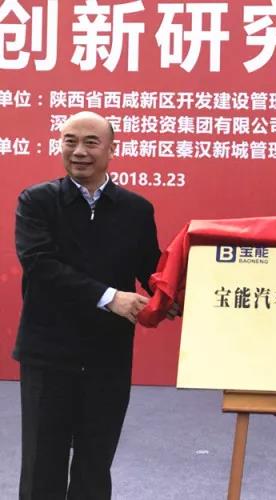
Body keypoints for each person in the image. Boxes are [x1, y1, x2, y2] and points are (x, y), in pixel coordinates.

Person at [13, 111, 172, 499]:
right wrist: (110, 297)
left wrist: (177, 295)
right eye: (70, 141)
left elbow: (151, 270)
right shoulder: (37, 201)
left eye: (90, 142)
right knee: (42, 465)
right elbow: (40, 265)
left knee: (95, 464)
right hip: (48, 354)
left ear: (112, 150)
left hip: (108, 355)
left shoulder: (136, 209)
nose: (79, 151)